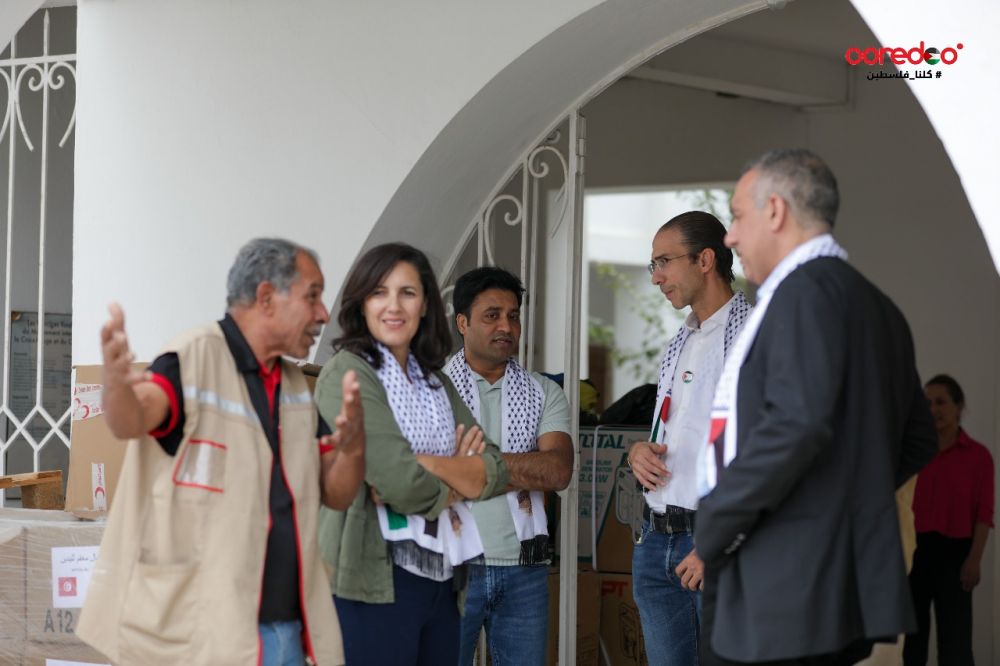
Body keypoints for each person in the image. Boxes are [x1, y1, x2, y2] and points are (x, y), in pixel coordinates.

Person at [696, 149, 938, 665]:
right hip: (825, 583)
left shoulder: (802, 294)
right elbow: (920, 437)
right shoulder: (878, 305)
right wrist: (842, 501)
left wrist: (717, 520)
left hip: (778, 580)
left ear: (775, 211)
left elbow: (795, 424)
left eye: (737, 217)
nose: (730, 237)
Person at [77, 238, 365, 666]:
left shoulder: (294, 387)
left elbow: (337, 493)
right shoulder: (192, 358)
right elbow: (131, 419)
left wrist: (355, 447)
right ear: (266, 297)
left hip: (289, 632)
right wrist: (115, 384)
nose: (323, 313)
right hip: (205, 639)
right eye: (312, 296)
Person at [315, 243, 510, 666]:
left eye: (407, 292)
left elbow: (495, 468)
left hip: (442, 576)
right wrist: (457, 478)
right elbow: (400, 483)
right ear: (361, 303)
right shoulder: (348, 372)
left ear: (424, 305)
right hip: (372, 578)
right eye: (379, 292)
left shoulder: (435, 381)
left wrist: (423, 463)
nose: (394, 305)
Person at [624, 211, 751, 665]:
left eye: (664, 262)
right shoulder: (682, 339)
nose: (656, 277)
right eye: (653, 264)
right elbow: (678, 430)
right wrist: (639, 451)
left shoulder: (755, 337)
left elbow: (766, 453)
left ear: (705, 260)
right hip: (656, 536)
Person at [444, 267, 573, 666]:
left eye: (513, 316)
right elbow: (421, 475)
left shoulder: (543, 391)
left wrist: (471, 467)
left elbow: (557, 471)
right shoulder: (431, 390)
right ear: (462, 322)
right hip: (450, 567)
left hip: (524, 571)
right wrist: (522, 467)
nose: (506, 326)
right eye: (492, 315)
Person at [904, 374, 994, 665]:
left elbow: (984, 514)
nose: (933, 410)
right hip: (914, 553)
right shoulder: (912, 452)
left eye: (940, 402)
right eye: (927, 403)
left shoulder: (979, 457)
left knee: (955, 643)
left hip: (955, 556)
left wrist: (974, 560)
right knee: (910, 643)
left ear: (959, 406)